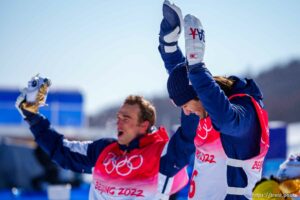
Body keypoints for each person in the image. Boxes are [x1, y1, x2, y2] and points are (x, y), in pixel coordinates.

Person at [15, 73, 199, 199]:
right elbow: (61, 151)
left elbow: (187, 136)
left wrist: (190, 83)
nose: (119, 122)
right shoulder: (103, 149)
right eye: (119, 116)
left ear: (144, 125)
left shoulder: (162, 154)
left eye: (126, 118)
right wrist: (32, 117)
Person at [158, 1, 270, 199]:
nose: (185, 112)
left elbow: (226, 119)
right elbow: (181, 77)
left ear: (199, 94)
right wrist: (168, 44)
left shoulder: (245, 113)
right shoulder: (199, 108)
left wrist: (197, 67)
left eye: (185, 105)